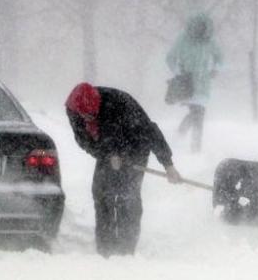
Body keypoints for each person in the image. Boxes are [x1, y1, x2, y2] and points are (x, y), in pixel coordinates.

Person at [65, 83, 182, 257]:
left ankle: (126, 248)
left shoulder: (119, 103)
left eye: (92, 114)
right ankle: (105, 247)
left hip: (135, 145)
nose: (88, 117)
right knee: (101, 193)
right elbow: (83, 140)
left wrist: (168, 165)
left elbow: (150, 132)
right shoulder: (74, 110)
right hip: (106, 150)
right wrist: (107, 154)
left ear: (98, 106)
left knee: (128, 195)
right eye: (84, 115)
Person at [166, 12, 223, 152]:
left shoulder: (210, 40)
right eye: (196, 26)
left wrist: (215, 69)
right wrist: (179, 72)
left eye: (201, 27)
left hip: (204, 83)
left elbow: (220, 57)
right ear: (191, 26)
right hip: (188, 83)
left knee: (198, 113)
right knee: (198, 113)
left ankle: (182, 136)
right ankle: (194, 147)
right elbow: (170, 58)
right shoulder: (183, 39)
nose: (199, 29)